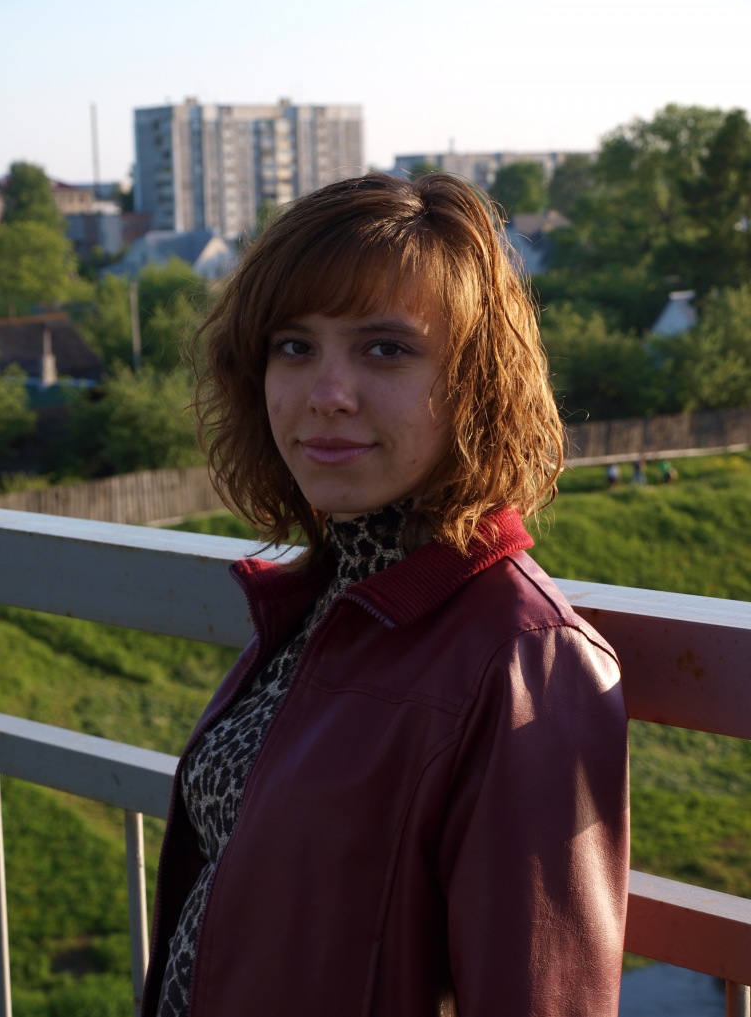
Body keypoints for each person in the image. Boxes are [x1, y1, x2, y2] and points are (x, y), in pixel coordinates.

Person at [142, 173, 629, 1017]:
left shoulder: (527, 664)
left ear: (477, 381)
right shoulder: (324, 601)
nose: (326, 394)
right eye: (295, 346)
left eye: (385, 349)